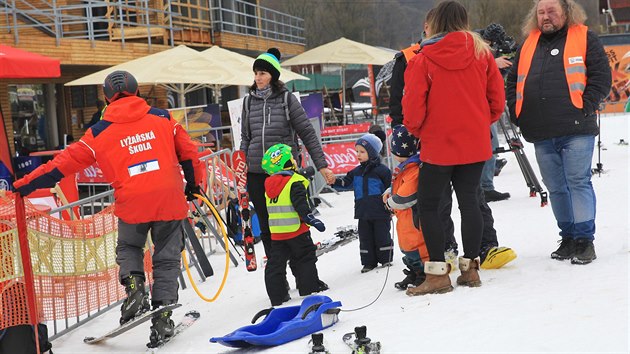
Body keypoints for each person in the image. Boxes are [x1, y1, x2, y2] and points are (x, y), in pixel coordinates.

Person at [13, 70, 203, 344]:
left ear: (105, 98)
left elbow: (60, 166)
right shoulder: (163, 118)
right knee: (167, 258)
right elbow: (189, 153)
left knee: (129, 247)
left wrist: (24, 186)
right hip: (169, 199)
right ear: (137, 92)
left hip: (132, 201)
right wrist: (194, 187)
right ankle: (162, 319)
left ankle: (135, 286)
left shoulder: (99, 132)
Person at [389, 7, 515, 272]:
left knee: (430, 205)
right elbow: (497, 101)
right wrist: (478, 124)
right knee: (470, 201)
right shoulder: (483, 54)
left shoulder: (422, 59)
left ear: (433, 24)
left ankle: (437, 271)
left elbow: (411, 110)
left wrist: (423, 131)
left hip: (437, 146)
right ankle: (471, 270)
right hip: (474, 143)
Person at [506, 0, 611, 265]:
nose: (546, 16)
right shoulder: (528, 43)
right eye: (541, 12)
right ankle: (568, 237)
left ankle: (585, 241)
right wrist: (515, 111)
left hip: (577, 127)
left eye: (551, 11)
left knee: (577, 181)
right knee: (555, 188)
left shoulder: (585, 37)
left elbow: (601, 76)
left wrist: (585, 106)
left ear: (566, 13)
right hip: (541, 130)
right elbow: (512, 81)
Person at [240, 48, 335, 262]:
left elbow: (307, 133)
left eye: (262, 73)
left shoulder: (286, 99)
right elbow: (245, 137)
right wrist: (241, 166)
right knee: (266, 225)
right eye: (256, 73)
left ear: (273, 75)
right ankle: (276, 271)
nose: (258, 78)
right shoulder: (248, 102)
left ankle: (302, 269)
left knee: (294, 220)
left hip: (284, 173)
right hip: (257, 173)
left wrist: (322, 166)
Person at [260, 143, 329, 306]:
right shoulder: (294, 182)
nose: (295, 160)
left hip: (277, 234)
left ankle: (278, 296)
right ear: (285, 163)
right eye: (292, 158)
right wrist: (311, 219)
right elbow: (301, 205)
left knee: (275, 265)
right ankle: (309, 288)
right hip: (297, 231)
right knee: (305, 258)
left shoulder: (269, 184)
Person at [332, 133, 393, 273]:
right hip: (363, 212)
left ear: (372, 153)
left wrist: (391, 205)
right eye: (357, 151)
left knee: (382, 235)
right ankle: (368, 262)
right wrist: (334, 181)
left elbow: (390, 189)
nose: (358, 154)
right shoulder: (355, 172)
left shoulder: (382, 171)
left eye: (362, 151)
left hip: (380, 212)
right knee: (365, 238)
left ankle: (385, 259)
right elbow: (345, 183)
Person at [382, 125, 428, 290]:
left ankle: (423, 275)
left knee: (416, 249)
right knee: (406, 249)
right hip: (403, 219)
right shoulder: (405, 168)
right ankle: (413, 272)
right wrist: (390, 192)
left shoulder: (413, 169)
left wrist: (390, 202)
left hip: (412, 219)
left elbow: (406, 196)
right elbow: (398, 186)